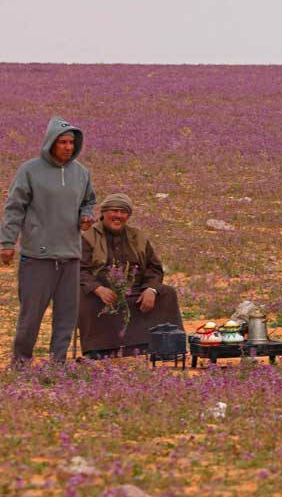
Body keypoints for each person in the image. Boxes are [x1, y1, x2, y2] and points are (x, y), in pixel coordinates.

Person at [1, 116, 96, 367]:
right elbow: (14, 208)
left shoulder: (81, 173)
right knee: (31, 316)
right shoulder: (30, 171)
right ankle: (20, 363)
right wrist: (7, 242)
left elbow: (89, 201)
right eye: (62, 142)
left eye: (71, 142)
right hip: (37, 256)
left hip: (70, 255)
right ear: (50, 143)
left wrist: (86, 216)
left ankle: (58, 365)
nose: (67, 147)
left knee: (66, 315)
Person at [77, 193, 184, 358]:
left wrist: (151, 289)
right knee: (83, 298)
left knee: (167, 294)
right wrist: (98, 289)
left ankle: (164, 346)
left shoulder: (138, 237)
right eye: (114, 211)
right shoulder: (89, 237)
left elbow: (154, 267)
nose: (118, 216)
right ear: (103, 212)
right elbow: (79, 269)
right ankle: (98, 350)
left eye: (123, 212)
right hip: (102, 293)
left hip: (135, 290)